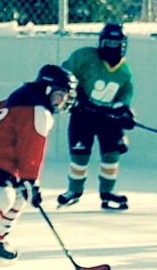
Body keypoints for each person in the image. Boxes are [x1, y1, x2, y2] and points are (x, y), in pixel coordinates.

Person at [0, 63, 76, 270]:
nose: (63, 100)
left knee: (19, 197)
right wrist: (31, 180)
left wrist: (27, 182)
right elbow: (32, 147)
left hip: (2, 157)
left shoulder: (22, 98)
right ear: (47, 90)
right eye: (60, 94)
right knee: (3, 198)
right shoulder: (37, 111)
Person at [58, 21, 135, 211]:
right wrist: (75, 98)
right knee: (79, 155)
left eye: (116, 43)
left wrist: (124, 113)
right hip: (83, 116)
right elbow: (64, 74)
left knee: (111, 154)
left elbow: (125, 95)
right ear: (101, 42)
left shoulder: (124, 72)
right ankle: (74, 190)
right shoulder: (84, 56)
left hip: (107, 119)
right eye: (108, 42)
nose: (111, 47)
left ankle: (107, 192)